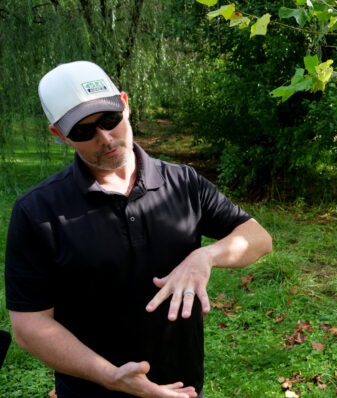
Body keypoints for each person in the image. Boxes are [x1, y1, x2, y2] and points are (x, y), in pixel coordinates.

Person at [4, 61, 272, 397]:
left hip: (183, 389)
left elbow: (258, 238)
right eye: (83, 131)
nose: (104, 137)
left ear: (125, 104)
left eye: (109, 119)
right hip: (92, 391)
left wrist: (207, 255)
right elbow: (29, 325)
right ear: (59, 135)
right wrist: (110, 376)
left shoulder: (183, 183)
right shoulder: (37, 212)